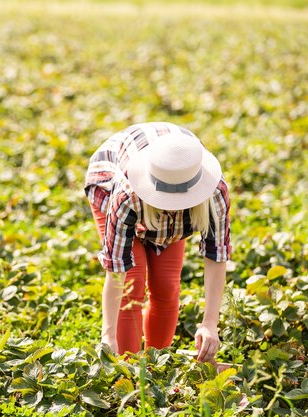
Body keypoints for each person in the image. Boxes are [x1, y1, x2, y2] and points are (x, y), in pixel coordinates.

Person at [84, 122, 231, 364]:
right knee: (133, 282)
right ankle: (129, 366)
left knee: (166, 286)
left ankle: (155, 365)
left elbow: (216, 256)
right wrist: (108, 336)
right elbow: (117, 273)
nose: (171, 206)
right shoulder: (126, 195)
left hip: (168, 192)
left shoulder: (214, 193)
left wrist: (210, 323)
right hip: (110, 173)